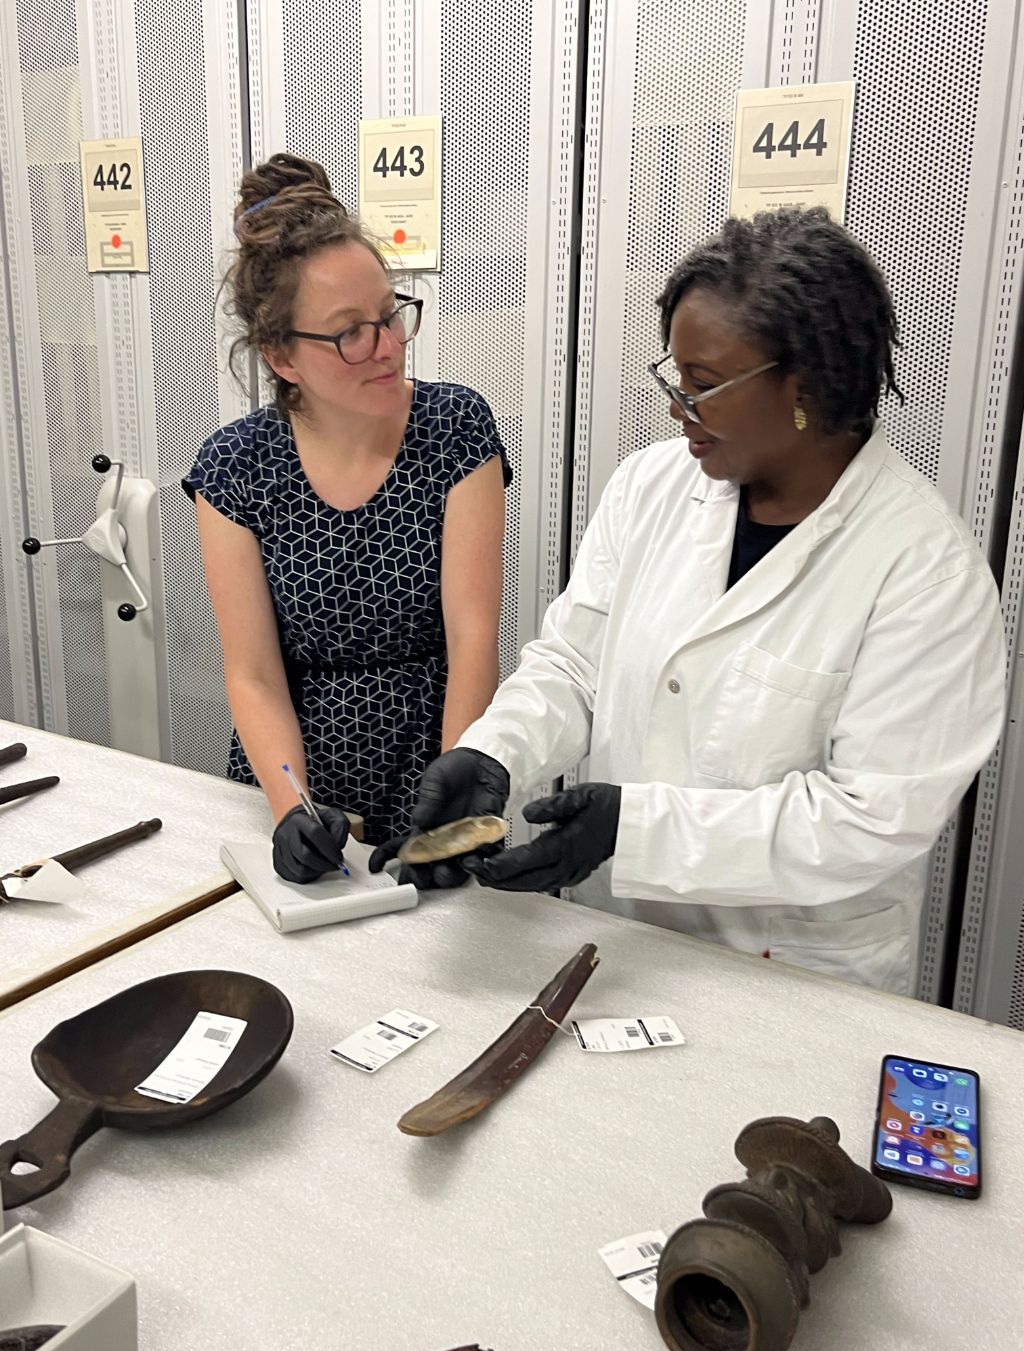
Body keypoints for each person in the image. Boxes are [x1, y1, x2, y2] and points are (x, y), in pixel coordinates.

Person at [371, 206, 1005, 995]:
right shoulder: (651, 486)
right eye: (673, 376)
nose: (677, 407)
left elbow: (866, 821)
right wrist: (496, 751)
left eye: (703, 386)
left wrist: (633, 829)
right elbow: (573, 664)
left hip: (793, 976)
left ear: (804, 386)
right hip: (623, 943)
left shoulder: (924, 573)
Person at [185, 153, 510, 882]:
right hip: (293, 772)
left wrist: (453, 805)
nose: (388, 346)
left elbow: (474, 638)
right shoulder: (236, 468)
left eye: (390, 315)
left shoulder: (455, 429)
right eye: (350, 333)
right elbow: (254, 674)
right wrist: (290, 804)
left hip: (432, 761)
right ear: (282, 356)